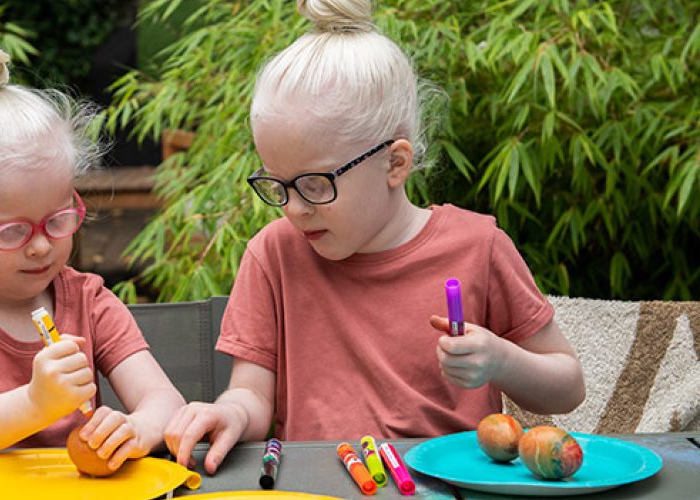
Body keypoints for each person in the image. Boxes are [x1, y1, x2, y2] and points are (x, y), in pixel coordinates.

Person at [163, 0, 586, 474]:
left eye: (316, 185)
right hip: (320, 486)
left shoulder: (477, 246)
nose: (295, 208)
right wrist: (230, 412)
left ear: (394, 163)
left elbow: (568, 386)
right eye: (277, 184)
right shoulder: (273, 254)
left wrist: (501, 361)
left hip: (446, 486)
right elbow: (251, 395)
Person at [0, 26, 184, 469]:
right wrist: (32, 404)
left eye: (58, 220)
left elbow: (165, 402)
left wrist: (136, 430)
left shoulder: (88, 301)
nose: (42, 247)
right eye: (11, 232)